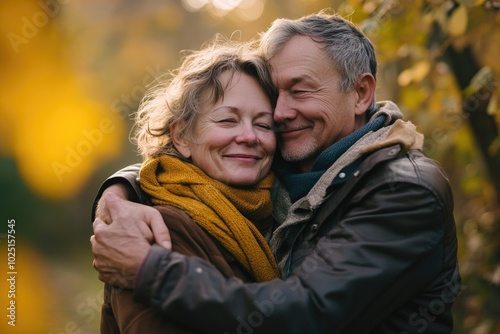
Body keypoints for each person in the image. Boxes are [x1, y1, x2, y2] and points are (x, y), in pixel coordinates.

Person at [91, 10, 460, 334]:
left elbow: (306, 313)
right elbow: (193, 159)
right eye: (276, 96)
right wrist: (120, 191)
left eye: (300, 91)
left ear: (362, 93)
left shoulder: (403, 190)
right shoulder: (295, 169)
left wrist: (148, 269)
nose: (280, 114)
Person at [97, 38, 281, 333]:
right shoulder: (154, 229)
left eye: (263, 124)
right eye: (227, 121)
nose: (249, 136)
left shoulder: (281, 213)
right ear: (181, 137)